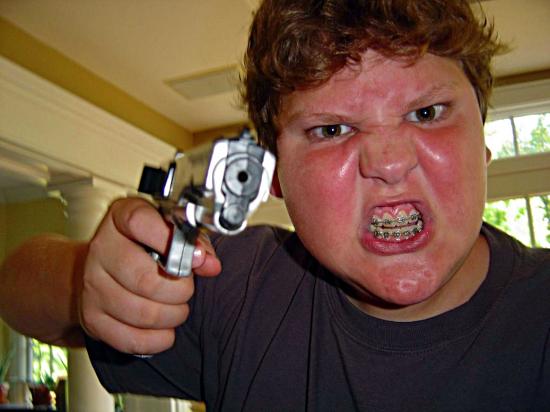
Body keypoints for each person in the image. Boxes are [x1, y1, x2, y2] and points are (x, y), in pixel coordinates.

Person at [1, 0, 549, 410]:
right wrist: (90, 280)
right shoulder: (235, 286)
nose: (388, 162)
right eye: (332, 129)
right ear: (277, 177)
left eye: (427, 113)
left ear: (482, 143)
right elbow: (14, 287)